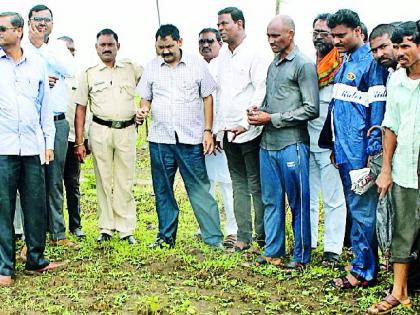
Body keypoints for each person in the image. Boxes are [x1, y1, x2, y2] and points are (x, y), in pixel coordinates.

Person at [136, 24, 224, 249]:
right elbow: (145, 97)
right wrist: (143, 109)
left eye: (169, 47)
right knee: (163, 190)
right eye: (160, 47)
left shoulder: (196, 65)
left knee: (199, 190)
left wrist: (207, 131)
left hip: (190, 139)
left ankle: (213, 239)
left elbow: (207, 98)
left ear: (180, 42)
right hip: (160, 139)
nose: (164, 51)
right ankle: (166, 237)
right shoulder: (152, 67)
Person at [322, 9, 388, 289]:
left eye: (341, 35)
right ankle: (362, 264)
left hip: (362, 153)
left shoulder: (371, 64)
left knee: (362, 212)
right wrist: (335, 145)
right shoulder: (344, 62)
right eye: (333, 35)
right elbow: (340, 110)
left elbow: (377, 111)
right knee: (356, 209)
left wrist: (372, 152)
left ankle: (364, 271)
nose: (335, 40)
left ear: (358, 31)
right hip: (345, 151)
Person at [0, 11, 66, 287]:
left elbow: (44, 109)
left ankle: (36, 259)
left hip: (32, 147)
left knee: (35, 205)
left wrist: (48, 144)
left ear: (18, 32)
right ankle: (5, 268)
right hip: (3, 148)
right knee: (3, 208)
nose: (0, 34)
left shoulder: (37, 65)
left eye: (3, 29)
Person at [252, 15, 319, 270]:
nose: (271, 40)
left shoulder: (303, 65)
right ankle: (273, 251)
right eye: (268, 35)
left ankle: (301, 256)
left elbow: (311, 108)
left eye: (276, 36)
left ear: (291, 34)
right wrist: (259, 112)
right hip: (267, 144)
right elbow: (274, 100)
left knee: (298, 202)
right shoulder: (274, 64)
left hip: (293, 144)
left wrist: (273, 117)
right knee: (271, 200)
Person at [368, 21, 420, 314]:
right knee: (403, 231)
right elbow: (391, 126)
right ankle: (398, 292)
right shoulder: (396, 80)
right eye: (397, 46)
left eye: (406, 46)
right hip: (403, 168)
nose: (399, 53)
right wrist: (386, 169)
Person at [74, 29, 142, 244]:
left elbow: (151, 87)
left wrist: (143, 109)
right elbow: (81, 108)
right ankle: (106, 227)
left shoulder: (131, 68)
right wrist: (79, 141)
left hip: (127, 130)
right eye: (102, 45)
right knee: (103, 179)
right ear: (96, 48)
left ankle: (126, 229)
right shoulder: (89, 73)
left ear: (117, 46)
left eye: (110, 44)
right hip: (100, 130)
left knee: (125, 179)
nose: (106, 48)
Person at [216, 7, 271, 250]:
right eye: (218, 25)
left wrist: (245, 122)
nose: (220, 29)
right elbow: (221, 94)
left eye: (224, 24)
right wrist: (218, 129)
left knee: (255, 184)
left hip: (250, 131)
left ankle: (262, 237)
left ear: (239, 24)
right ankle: (243, 236)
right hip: (228, 131)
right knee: (237, 183)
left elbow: (261, 89)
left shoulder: (256, 53)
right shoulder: (223, 57)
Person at [27, 4, 78, 248]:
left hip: (57, 124)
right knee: (30, 181)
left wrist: (42, 49)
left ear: (52, 24)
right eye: (37, 19)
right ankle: (32, 237)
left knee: (55, 180)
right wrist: (38, 78)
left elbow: (70, 69)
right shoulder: (19, 48)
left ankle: (59, 234)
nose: (42, 24)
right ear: (28, 22)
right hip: (30, 126)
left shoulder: (57, 47)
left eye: (46, 20)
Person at [308, 13, 347, 266]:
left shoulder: (341, 65)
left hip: (329, 144)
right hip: (305, 141)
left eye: (325, 33)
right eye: (316, 33)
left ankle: (332, 249)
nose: (319, 37)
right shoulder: (308, 65)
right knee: (307, 196)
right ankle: (309, 244)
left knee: (334, 198)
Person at [198, 27, 238, 248]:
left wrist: (217, 132)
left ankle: (233, 230)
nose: (206, 45)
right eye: (202, 41)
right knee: (206, 184)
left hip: (220, 137)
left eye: (210, 41)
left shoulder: (224, 66)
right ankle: (207, 227)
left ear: (219, 44)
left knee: (227, 184)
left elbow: (223, 102)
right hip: (201, 137)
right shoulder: (196, 67)